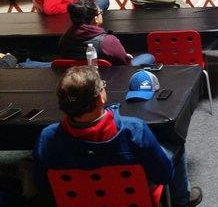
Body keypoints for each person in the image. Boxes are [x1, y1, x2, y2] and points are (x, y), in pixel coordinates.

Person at [33, 66, 202, 207]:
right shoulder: (134, 129)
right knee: (176, 143)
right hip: (132, 198)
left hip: (78, 199)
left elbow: (43, 186)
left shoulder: (47, 137)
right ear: (100, 97)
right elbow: (162, 176)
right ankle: (182, 201)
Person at [59, 0, 155, 66]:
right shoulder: (107, 41)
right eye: (100, 12)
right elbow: (125, 64)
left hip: (79, 79)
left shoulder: (64, 39)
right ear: (96, 19)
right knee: (148, 57)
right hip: (109, 77)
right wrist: (126, 57)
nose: (102, 14)